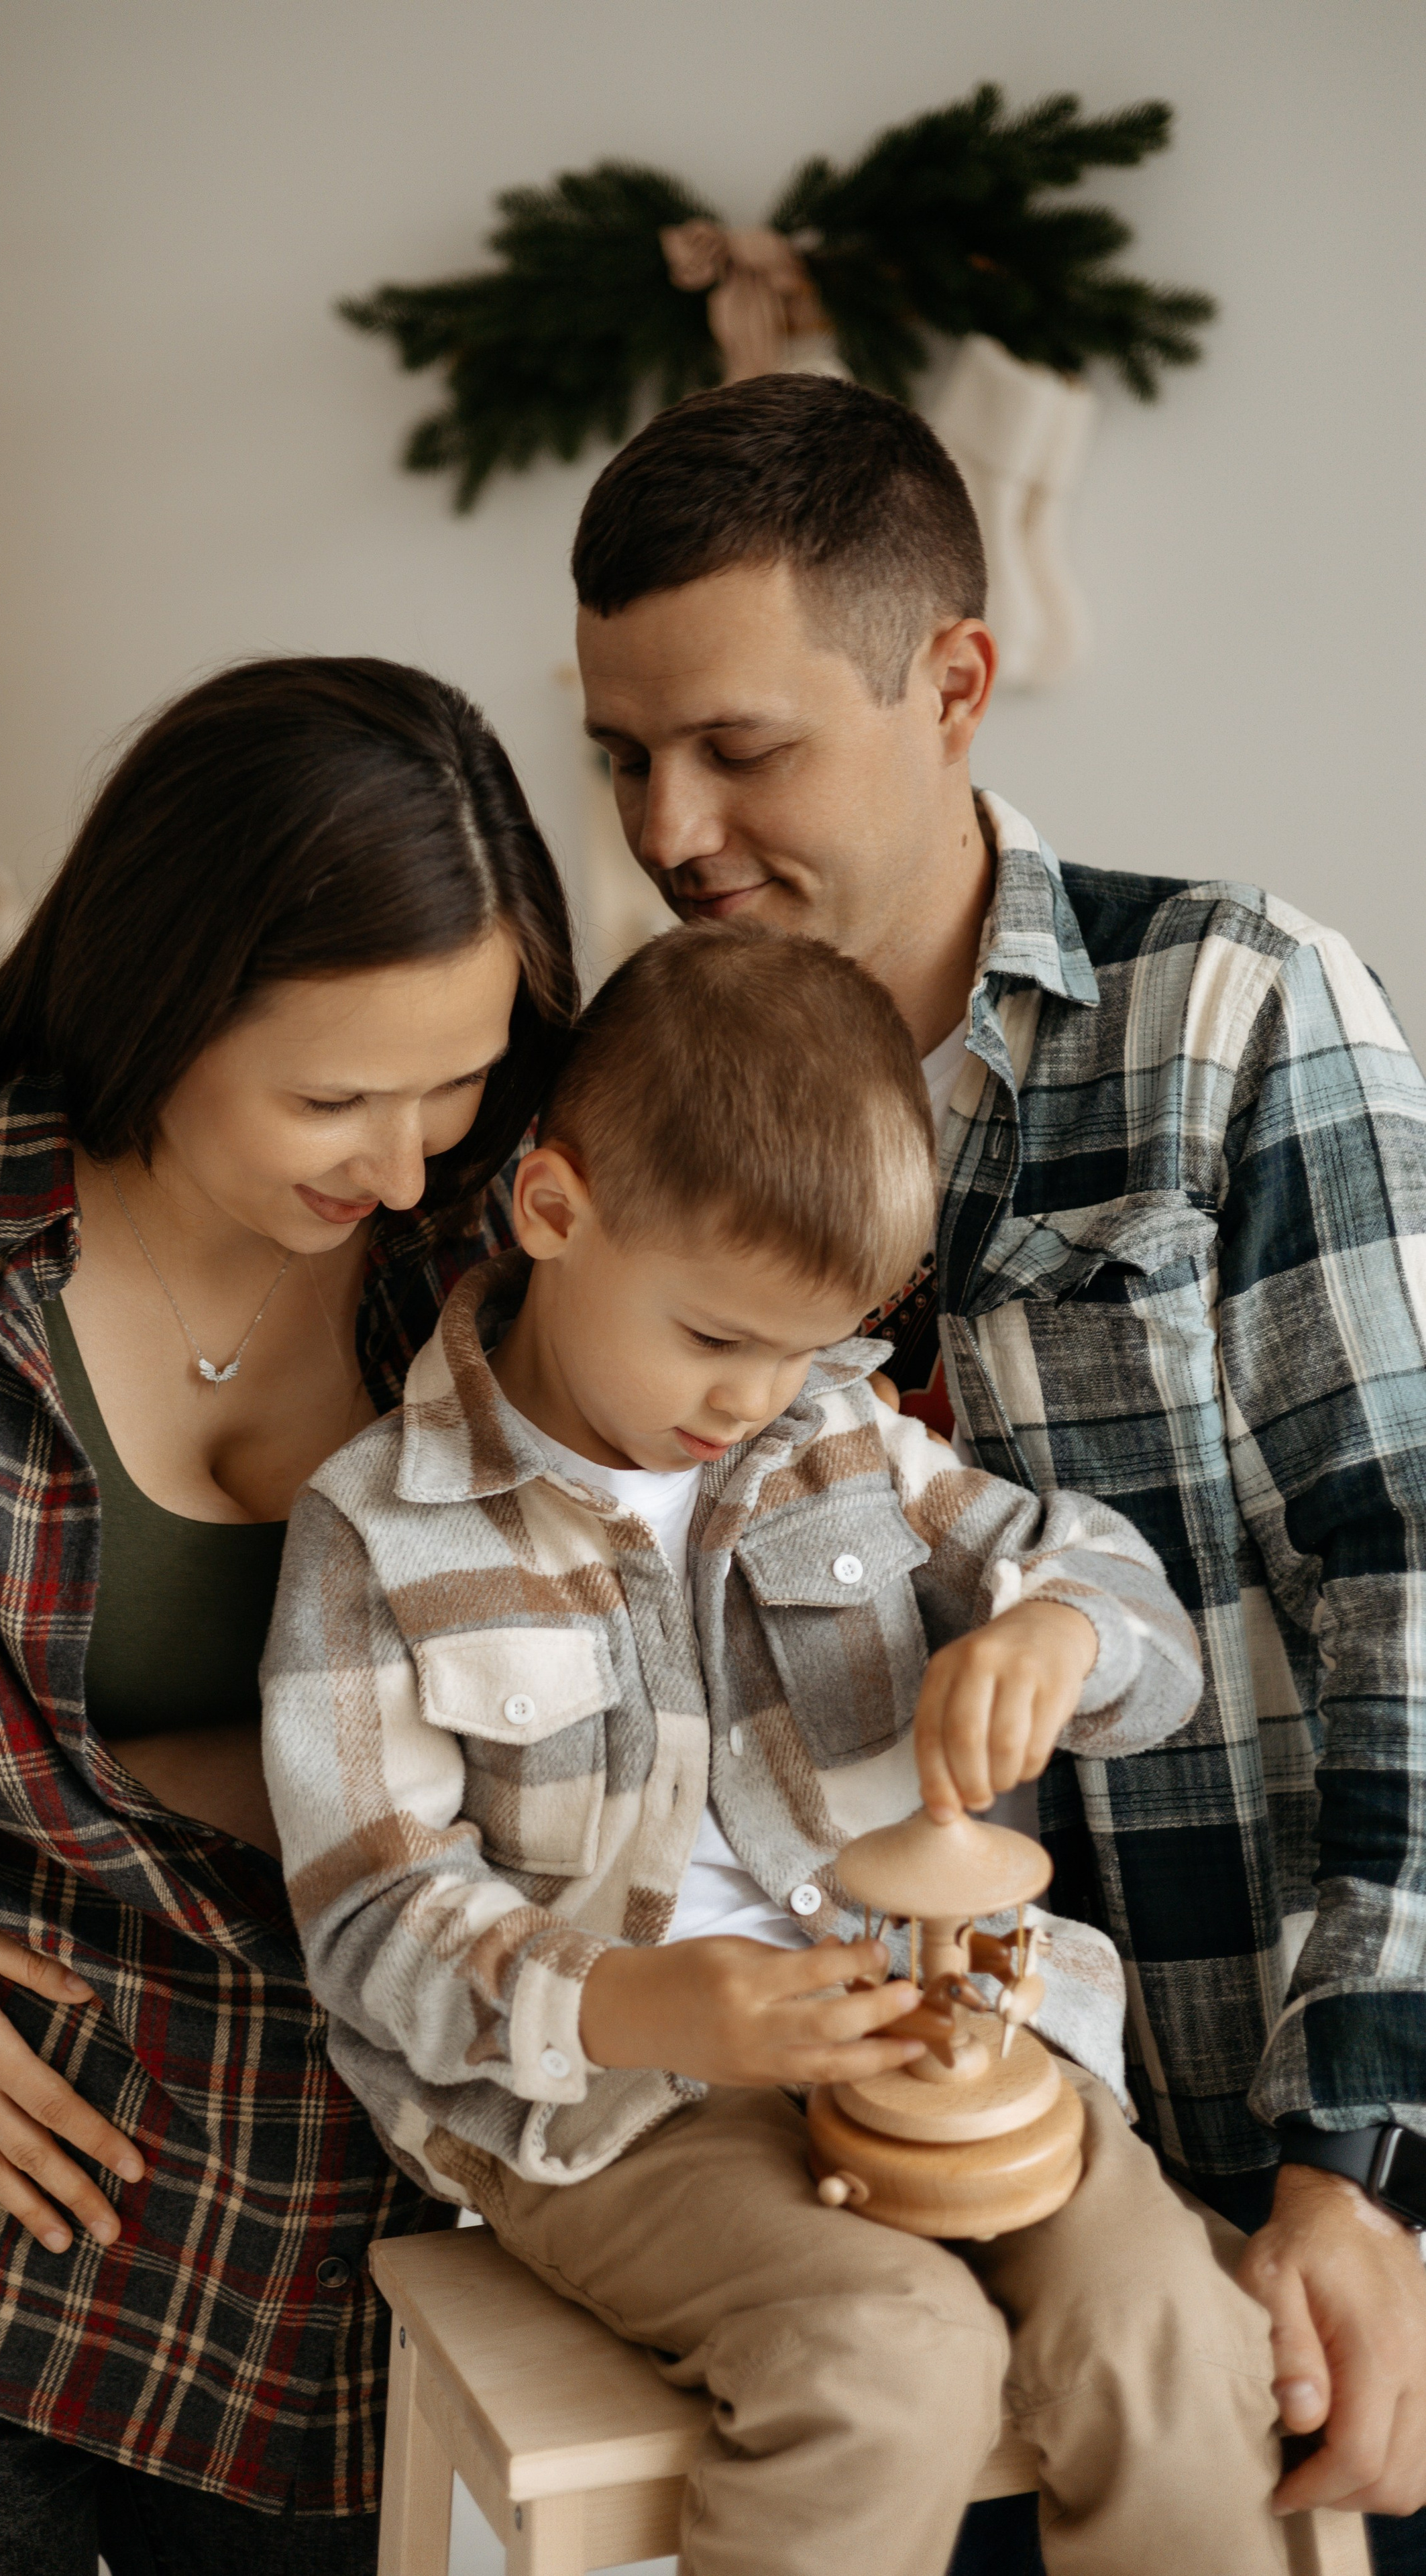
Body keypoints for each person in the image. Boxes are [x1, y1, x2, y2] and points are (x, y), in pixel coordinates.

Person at [568, 370, 1426, 2562]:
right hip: (848, 2213)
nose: (667, 830)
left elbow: (1407, 1578)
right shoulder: (622, 1113)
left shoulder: (1234, 1009)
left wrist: (1363, 2167)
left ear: (953, 682)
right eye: (624, 755)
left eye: (740, 749)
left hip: (1254, 2188)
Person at [262, 920, 1288, 2576]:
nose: (753, 1398)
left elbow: (1118, 1595)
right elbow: (371, 1922)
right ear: (551, 1212)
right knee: (889, 2363)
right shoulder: (376, 1534)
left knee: (1169, 2330)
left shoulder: (843, 1440)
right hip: (618, 2107)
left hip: (933, 2028)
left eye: (804, 1345)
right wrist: (641, 1999)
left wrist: (1057, 1631)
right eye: (713, 1338)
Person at [0, 657, 577, 2575]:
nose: (405, 1162)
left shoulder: (498, 1262)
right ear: (164, 998)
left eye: (460, 1081)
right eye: (334, 1096)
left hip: (331, 2222)